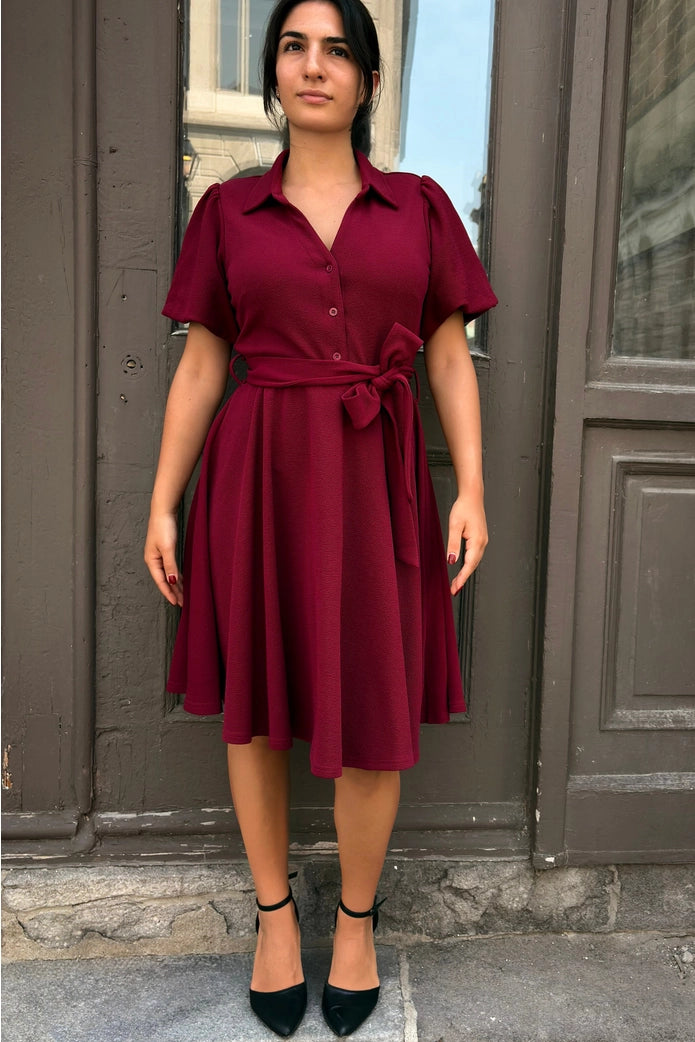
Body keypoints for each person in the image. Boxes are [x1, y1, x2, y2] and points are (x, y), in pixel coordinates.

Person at [145, 0, 497, 1035]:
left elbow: (447, 358)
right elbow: (201, 365)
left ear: (368, 81)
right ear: (273, 74)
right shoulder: (228, 212)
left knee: (374, 708)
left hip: (377, 478)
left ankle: (353, 923)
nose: (313, 66)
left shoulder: (421, 207)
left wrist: (472, 489)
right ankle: (271, 920)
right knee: (256, 701)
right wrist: (163, 502)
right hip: (257, 476)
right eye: (293, 47)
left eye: (337, 50)